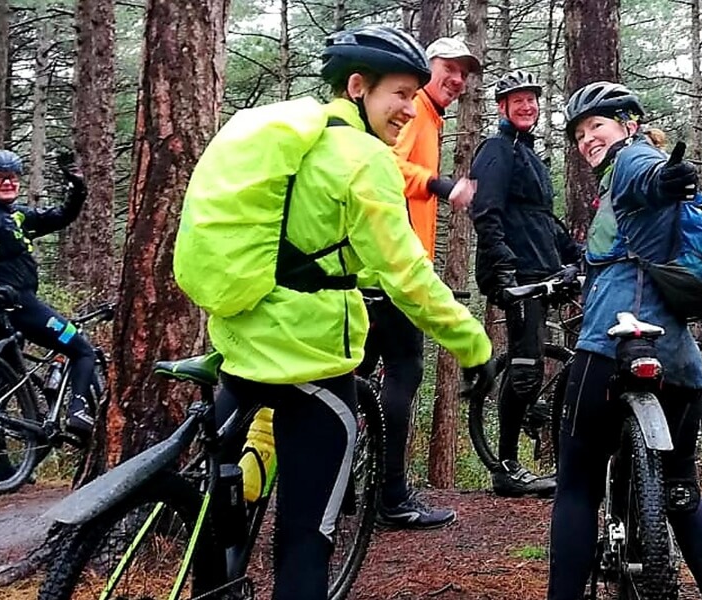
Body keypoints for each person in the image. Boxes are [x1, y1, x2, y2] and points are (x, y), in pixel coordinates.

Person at [173, 25, 494, 599]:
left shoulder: (301, 140)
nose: (406, 108)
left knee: (218, 505)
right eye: (399, 93)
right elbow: (407, 275)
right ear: (357, 86)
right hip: (310, 358)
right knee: (306, 537)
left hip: (244, 341)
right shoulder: (365, 158)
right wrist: (474, 345)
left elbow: (310, 251)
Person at [546, 80, 702, 600]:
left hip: (609, 345)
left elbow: (651, 176)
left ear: (628, 124)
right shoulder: (618, 187)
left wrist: (666, 175)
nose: (587, 139)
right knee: (681, 492)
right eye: (580, 133)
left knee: (577, 486)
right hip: (678, 359)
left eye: (597, 126)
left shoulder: (633, 160)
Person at [360, 34, 483, 529]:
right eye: (448, 69)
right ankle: (391, 495)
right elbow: (384, 161)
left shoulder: (429, 116)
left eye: (463, 74)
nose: (456, 80)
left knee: (358, 375)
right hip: (393, 267)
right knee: (404, 371)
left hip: (376, 266)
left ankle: (350, 487)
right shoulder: (415, 113)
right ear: (425, 67)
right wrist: (438, 183)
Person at [469, 70, 579, 498]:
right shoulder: (497, 150)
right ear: (502, 107)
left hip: (543, 269)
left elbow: (541, 221)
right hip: (518, 275)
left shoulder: (529, 154)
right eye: (517, 101)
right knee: (526, 365)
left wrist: (576, 255)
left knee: (534, 361)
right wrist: (503, 267)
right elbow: (486, 212)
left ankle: (539, 418)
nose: (526, 106)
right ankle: (507, 468)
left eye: (531, 100)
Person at [0, 149, 98, 436]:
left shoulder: (16, 215)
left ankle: (0, 469)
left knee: (5, 381)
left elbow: (59, 216)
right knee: (82, 350)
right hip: (17, 308)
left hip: (8, 310)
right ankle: (78, 411)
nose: (8, 183)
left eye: (13, 178)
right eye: (0, 178)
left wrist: (77, 187)